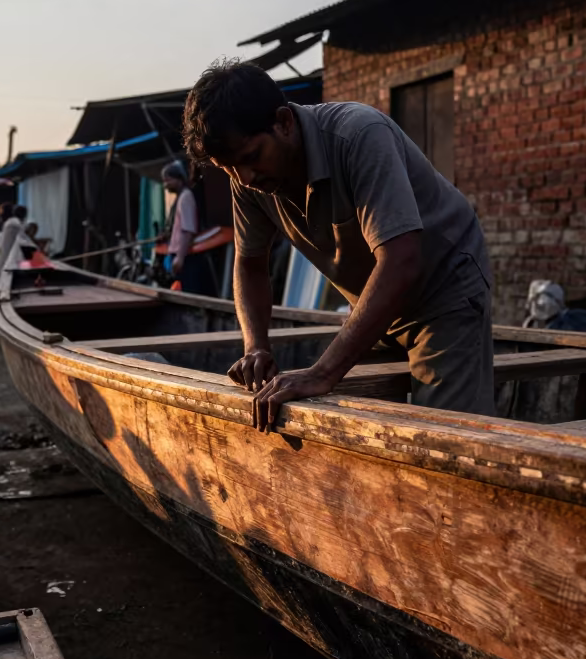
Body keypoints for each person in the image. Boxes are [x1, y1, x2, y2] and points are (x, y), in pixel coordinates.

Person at [183, 59, 494, 430]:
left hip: (444, 291)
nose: (245, 178)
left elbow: (401, 259)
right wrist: (256, 347)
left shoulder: (359, 135)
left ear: (283, 122)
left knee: (446, 437)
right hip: (375, 305)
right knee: (356, 425)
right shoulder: (247, 178)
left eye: (251, 158)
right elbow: (250, 264)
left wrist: (323, 372)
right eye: (228, 168)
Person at [161, 160, 210, 294]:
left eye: (168, 180)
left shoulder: (186, 197)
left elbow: (188, 229)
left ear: (179, 179)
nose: (166, 185)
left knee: (189, 294)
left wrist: (180, 257)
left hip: (186, 256)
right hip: (181, 254)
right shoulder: (181, 197)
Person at [0, 204, 27, 273]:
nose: (0, 215)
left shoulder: (13, 224)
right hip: (8, 260)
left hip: (9, 260)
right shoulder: (11, 224)